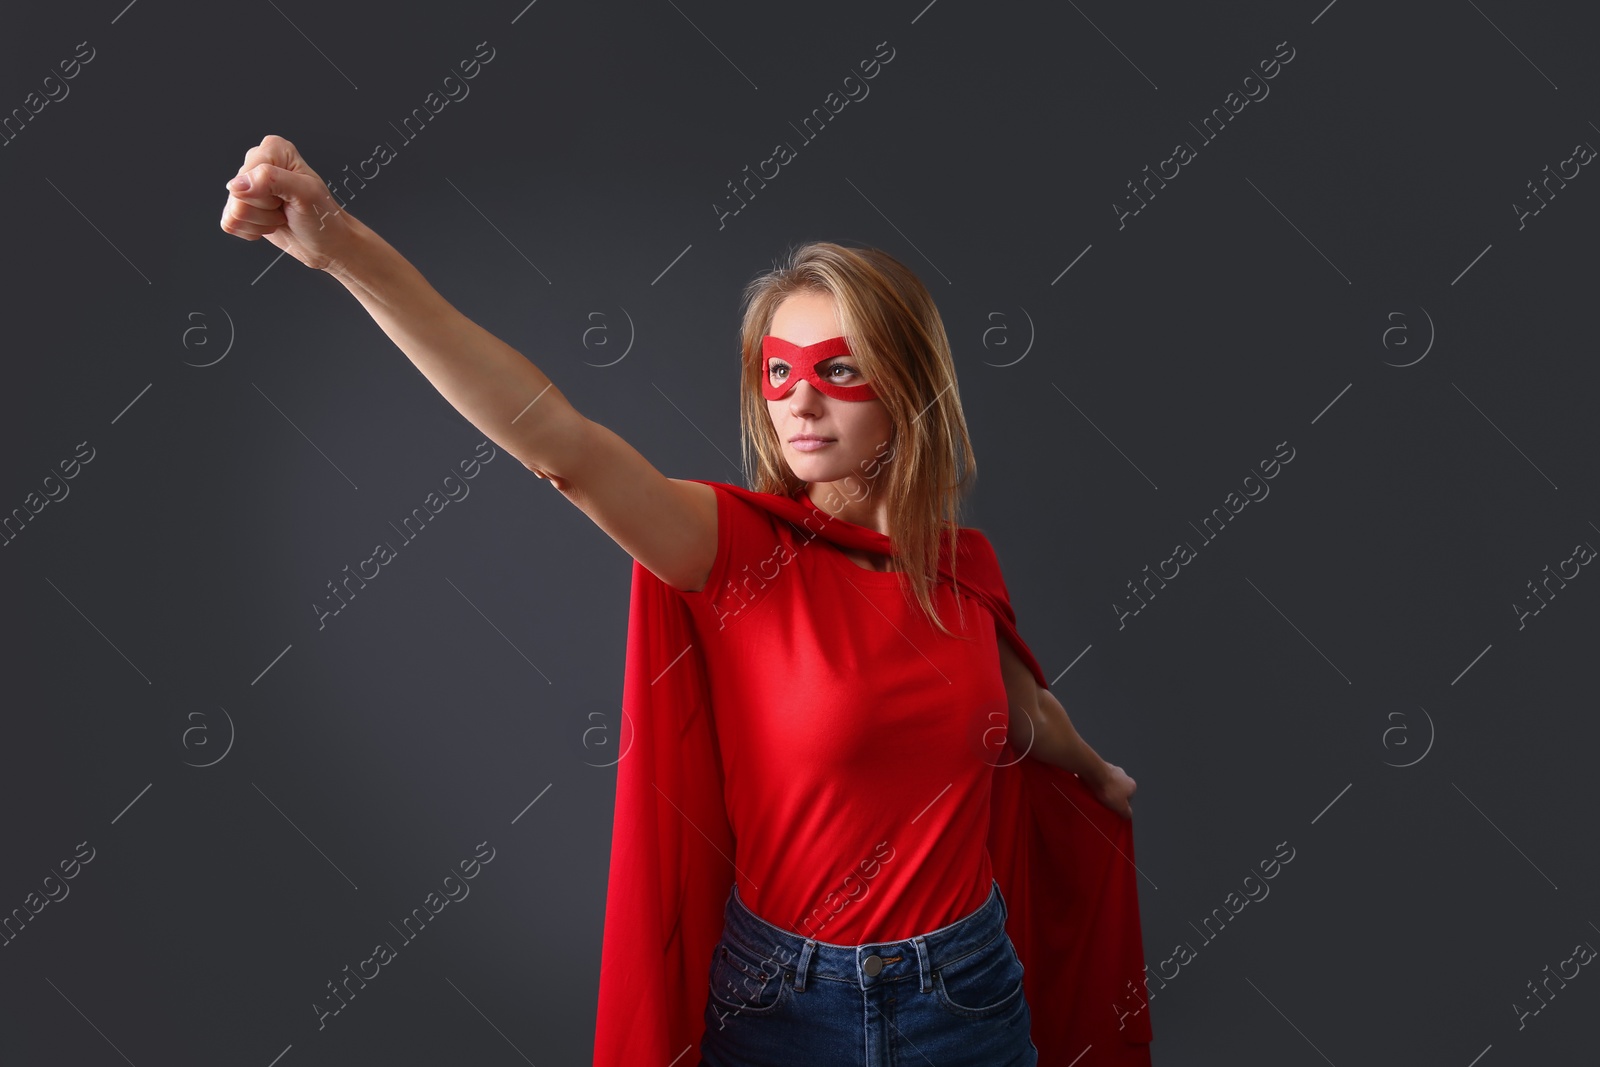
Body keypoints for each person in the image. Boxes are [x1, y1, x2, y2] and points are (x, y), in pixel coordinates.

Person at [220, 136, 1151, 1066]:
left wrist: (1097, 770)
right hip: (788, 1006)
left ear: (909, 385)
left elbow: (1018, 711)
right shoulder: (734, 551)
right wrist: (343, 247)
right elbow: (559, 443)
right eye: (778, 371)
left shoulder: (961, 570)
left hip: (968, 995)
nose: (800, 401)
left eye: (838, 367)